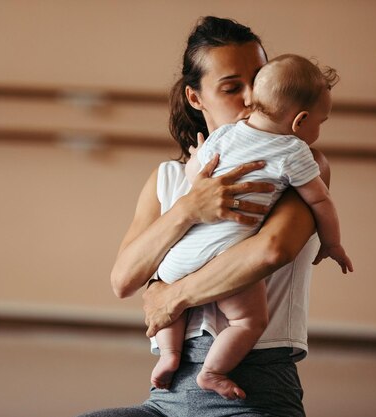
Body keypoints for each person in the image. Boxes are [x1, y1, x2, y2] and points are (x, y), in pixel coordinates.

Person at [78, 16, 334, 417]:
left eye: (259, 80)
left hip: (254, 397)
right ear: (196, 98)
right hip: (166, 400)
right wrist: (188, 208)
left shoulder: (300, 164)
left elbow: (271, 250)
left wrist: (173, 294)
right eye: (232, 87)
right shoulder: (167, 178)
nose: (252, 98)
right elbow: (123, 279)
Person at [151, 53, 353, 400]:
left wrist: (198, 174)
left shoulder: (225, 135)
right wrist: (331, 243)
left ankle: (169, 355)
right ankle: (212, 372)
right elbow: (321, 202)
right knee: (247, 322)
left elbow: (194, 175)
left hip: (182, 253)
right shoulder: (295, 151)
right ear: (300, 120)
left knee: (166, 292)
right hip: (226, 256)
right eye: (321, 122)